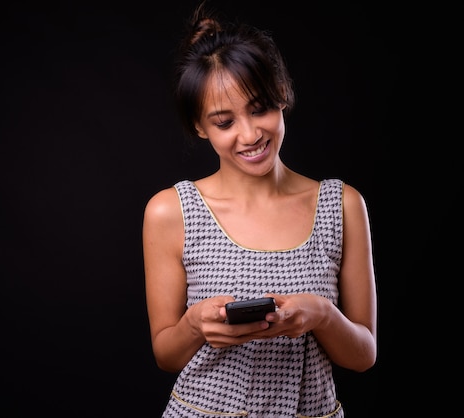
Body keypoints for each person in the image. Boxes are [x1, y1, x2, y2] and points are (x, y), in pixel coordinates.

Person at [142, 2, 377, 417]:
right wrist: (194, 324)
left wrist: (322, 314)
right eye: (224, 121)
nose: (249, 134)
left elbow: (363, 356)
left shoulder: (342, 205)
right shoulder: (170, 211)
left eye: (259, 108)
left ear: (282, 96)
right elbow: (167, 355)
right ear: (200, 126)